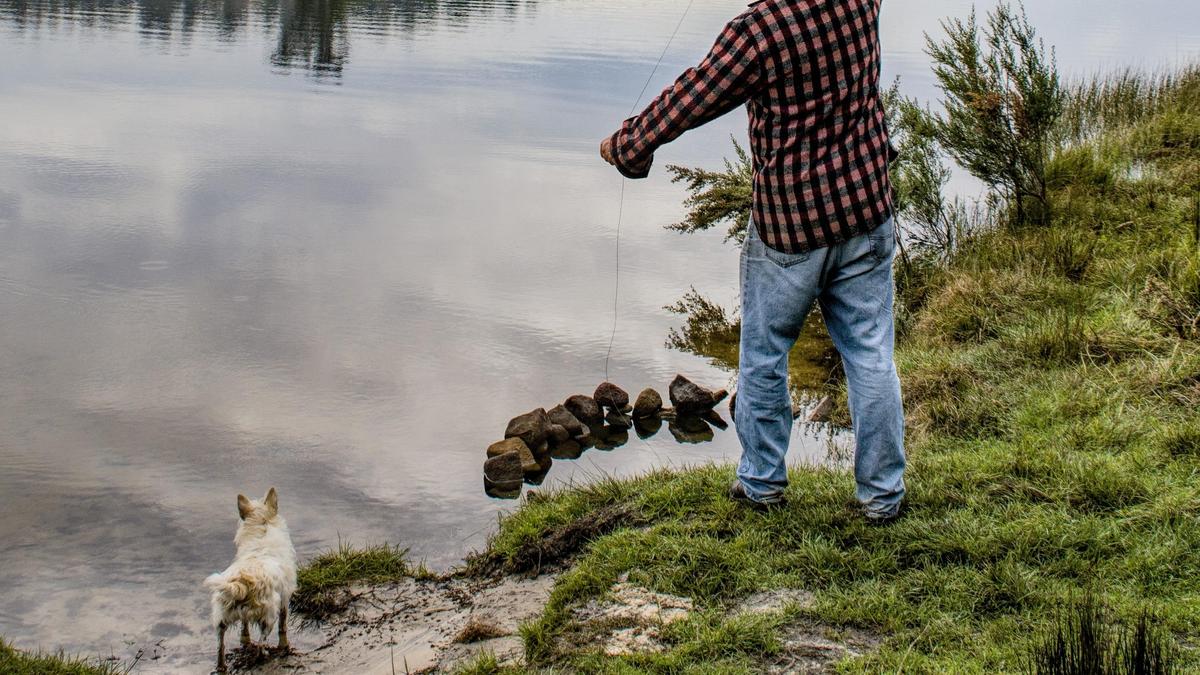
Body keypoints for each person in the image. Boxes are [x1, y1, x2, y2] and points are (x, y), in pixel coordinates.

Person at [600, 0, 905, 523]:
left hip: (792, 225)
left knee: (764, 354)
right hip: (865, 207)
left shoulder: (759, 32)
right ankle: (882, 497)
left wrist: (629, 145)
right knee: (871, 353)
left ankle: (762, 485)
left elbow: (693, 96)